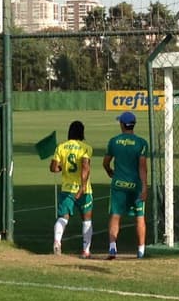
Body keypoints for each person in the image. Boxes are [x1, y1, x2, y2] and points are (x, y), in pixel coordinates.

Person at [103, 111, 148, 259]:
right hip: (135, 185)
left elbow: (106, 162)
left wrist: (110, 171)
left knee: (115, 215)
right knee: (139, 217)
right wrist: (145, 187)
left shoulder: (114, 141)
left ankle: (112, 248)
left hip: (118, 184)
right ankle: (141, 251)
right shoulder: (141, 143)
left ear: (122, 124)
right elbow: (142, 167)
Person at [50, 120, 94, 258]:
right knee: (86, 219)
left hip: (66, 188)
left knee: (63, 218)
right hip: (84, 190)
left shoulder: (61, 147)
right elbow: (85, 168)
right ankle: (86, 251)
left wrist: (63, 167)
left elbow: (53, 168)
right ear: (82, 132)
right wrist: (81, 188)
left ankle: (57, 242)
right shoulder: (86, 148)